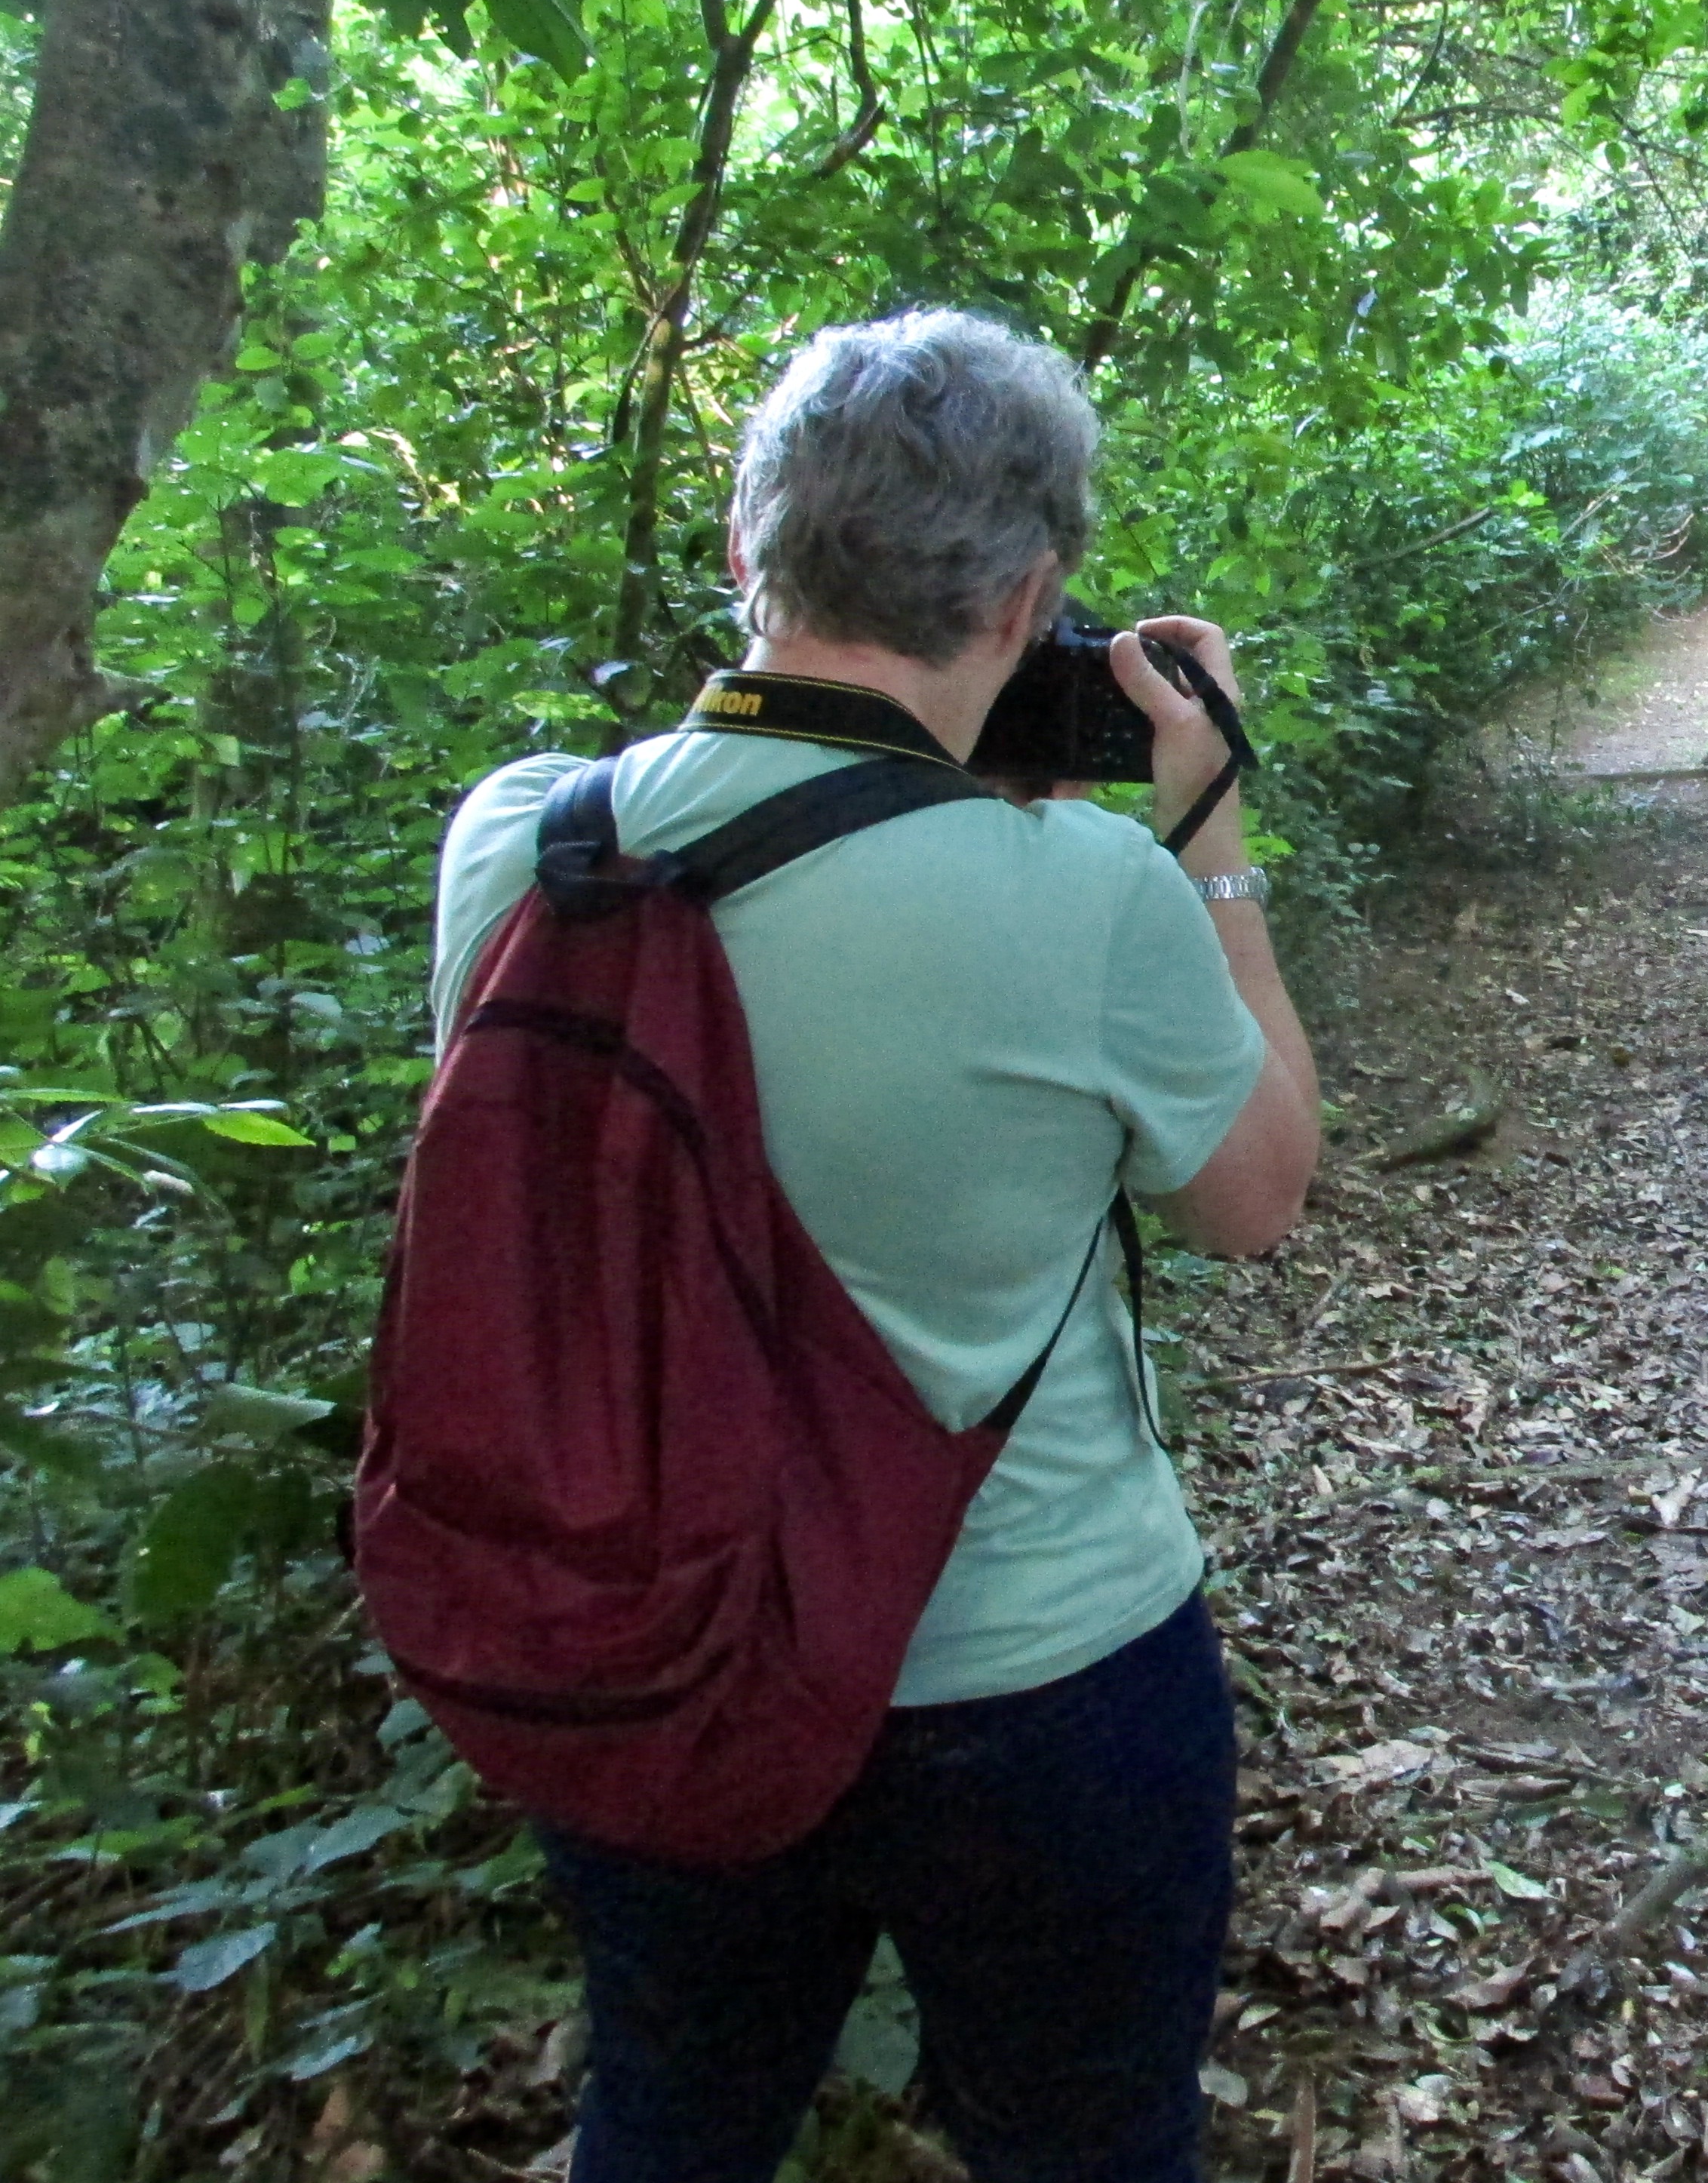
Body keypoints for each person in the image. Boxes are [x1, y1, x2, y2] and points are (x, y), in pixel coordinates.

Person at [426, 309, 1319, 2183]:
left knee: (671, 2116)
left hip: (652, 1641)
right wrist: (1206, 833)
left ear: (750, 550)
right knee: (1089, 2148)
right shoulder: (1078, 892)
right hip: (1043, 1673)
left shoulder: (530, 847)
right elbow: (1251, 1203)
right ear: (1036, 597)